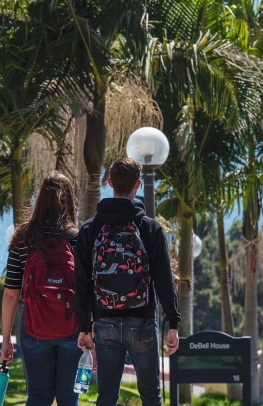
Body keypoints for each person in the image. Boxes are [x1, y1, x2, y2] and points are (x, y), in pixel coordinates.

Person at [75, 157, 181, 406]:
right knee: (150, 394)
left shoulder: (90, 229)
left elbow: (81, 282)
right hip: (142, 321)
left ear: (109, 182)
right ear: (139, 184)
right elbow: (164, 279)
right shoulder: (149, 228)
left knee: (107, 395)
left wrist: (84, 326)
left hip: (104, 321)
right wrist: (173, 322)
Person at [0, 172, 83, 406]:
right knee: (69, 397)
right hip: (72, 327)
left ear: (39, 200)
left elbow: (11, 293)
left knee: (38, 395)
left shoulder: (23, 238)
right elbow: (88, 290)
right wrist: (90, 331)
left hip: (33, 327)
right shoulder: (78, 238)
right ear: (69, 199)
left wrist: (6, 338)